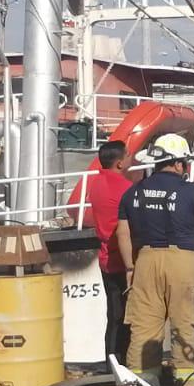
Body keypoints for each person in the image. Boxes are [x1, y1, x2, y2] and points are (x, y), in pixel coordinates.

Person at [115, 133, 194, 386]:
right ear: (178, 164)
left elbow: (123, 233)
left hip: (146, 260)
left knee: (144, 327)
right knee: (184, 324)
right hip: (185, 260)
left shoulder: (133, 192)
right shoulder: (191, 192)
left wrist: (131, 268)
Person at [67, 140, 135, 365]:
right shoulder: (126, 189)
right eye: (127, 155)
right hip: (123, 260)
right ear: (119, 162)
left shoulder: (95, 184)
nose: (130, 158)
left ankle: (111, 360)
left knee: (113, 313)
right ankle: (121, 361)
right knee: (126, 315)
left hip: (106, 257)